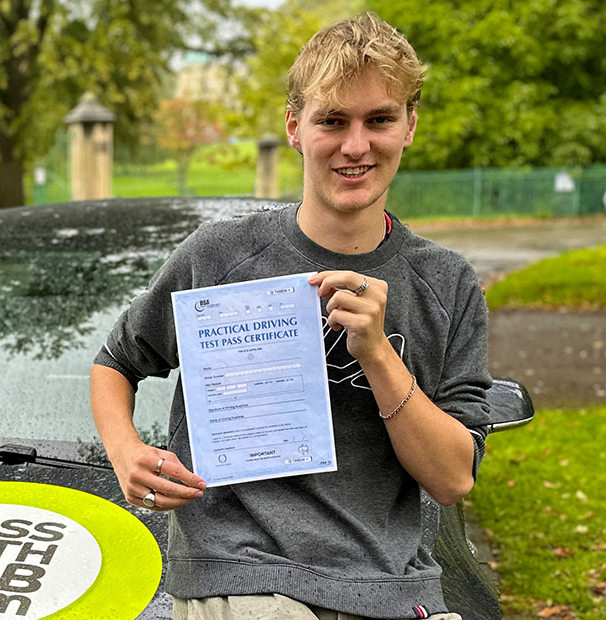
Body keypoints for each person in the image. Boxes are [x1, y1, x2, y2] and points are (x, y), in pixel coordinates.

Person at [90, 12, 491, 620]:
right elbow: (115, 362)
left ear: (409, 126)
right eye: (332, 120)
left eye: (379, 119)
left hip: (396, 590)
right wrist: (125, 450)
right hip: (245, 579)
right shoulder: (217, 257)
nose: (355, 145)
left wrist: (379, 354)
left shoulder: (447, 283)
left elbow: (452, 480)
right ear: (295, 127)